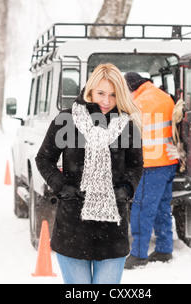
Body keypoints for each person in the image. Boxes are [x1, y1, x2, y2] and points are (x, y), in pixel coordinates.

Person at [35, 64, 144, 284]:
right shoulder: (66, 120)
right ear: (90, 90)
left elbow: (135, 165)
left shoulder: (127, 125)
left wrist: (126, 189)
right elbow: (44, 160)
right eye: (101, 93)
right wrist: (63, 187)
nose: (106, 101)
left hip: (112, 229)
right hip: (73, 226)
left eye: (113, 95)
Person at [124, 72, 179, 269]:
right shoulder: (166, 98)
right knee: (162, 207)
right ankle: (164, 249)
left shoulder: (138, 103)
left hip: (150, 164)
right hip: (168, 162)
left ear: (132, 88)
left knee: (141, 209)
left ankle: (138, 254)